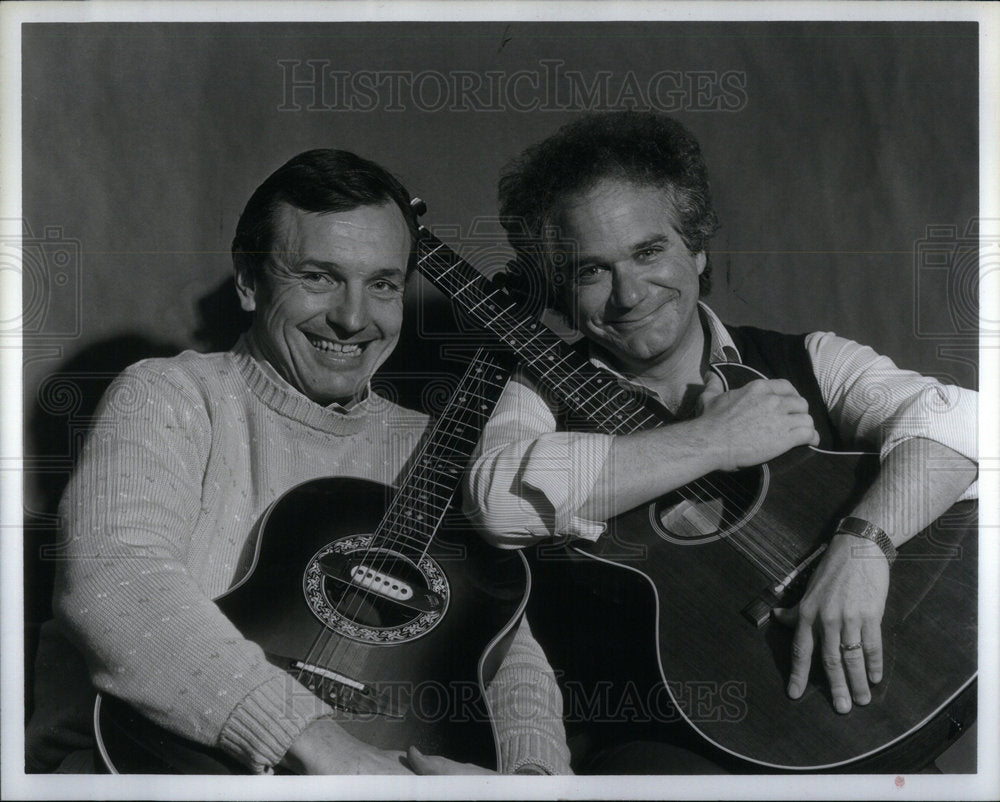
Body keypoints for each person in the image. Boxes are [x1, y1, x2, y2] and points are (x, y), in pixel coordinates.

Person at [25, 149, 570, 776]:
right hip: (152, 765)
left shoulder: (438, 447)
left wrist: (531, 780)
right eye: (319, 277)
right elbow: (116, 584)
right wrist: (327, 747)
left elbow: (505, 649)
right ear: (250, 281)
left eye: (384, 284)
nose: (353, 318)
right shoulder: (169, 396)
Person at [461, 112, 978, 772]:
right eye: (592, 271)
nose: (629, 295)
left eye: (649, 252)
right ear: (558, 290)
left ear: (697, 248)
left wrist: (862, 545)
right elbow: (498, 502)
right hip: (680, 748)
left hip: (870, 722)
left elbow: (966, 424)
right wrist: (714, 439)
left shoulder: (810, 357)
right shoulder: (537, 392)